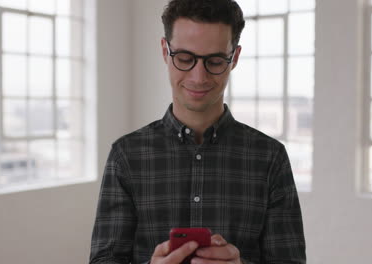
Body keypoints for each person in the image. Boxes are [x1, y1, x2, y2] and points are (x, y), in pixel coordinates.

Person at [89, 0, 306, 263]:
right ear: (164, 51)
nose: (198, 77)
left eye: (214, 61)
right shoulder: (126, 156)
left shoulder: (270, 158)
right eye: (185, 59)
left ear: (234, 58)